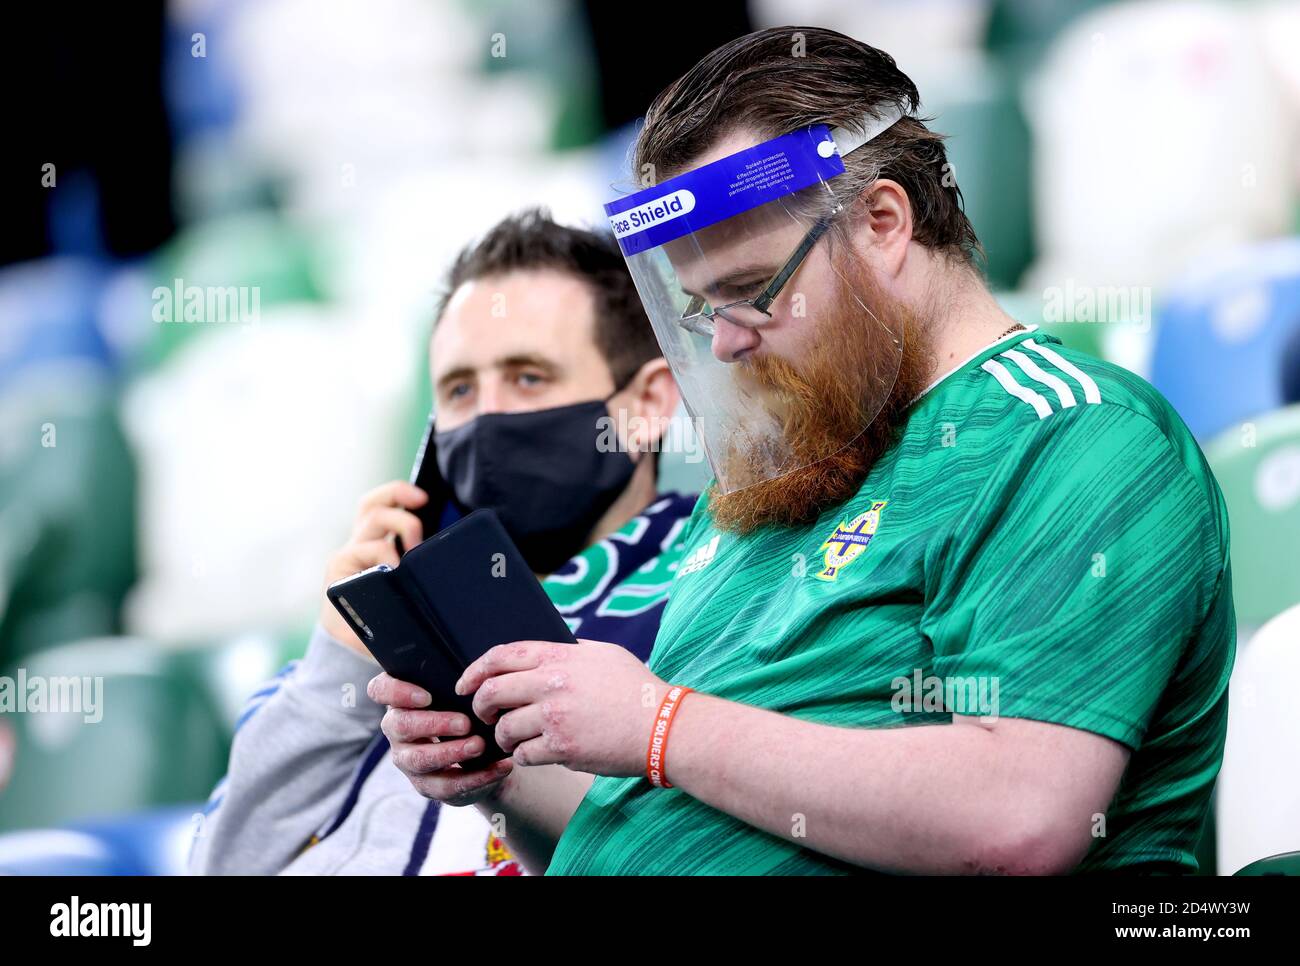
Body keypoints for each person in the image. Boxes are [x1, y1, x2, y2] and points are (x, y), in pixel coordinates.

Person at [375, 27, 1235, 875]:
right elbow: (640, 827)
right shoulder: (789, 466)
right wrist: (499, 772)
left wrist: (658, 723)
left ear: (883, 221)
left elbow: (1020, 820)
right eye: (706, 306)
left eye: (751, 292)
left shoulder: (1074, 435)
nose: (723, 345)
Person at [190, 209, 693, 875]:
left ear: (647, 403)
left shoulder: (713, 586)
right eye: (459, 389)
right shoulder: (380, 623)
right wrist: (338, 664)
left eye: (527, 377)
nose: (486, 415)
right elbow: (219, 862)